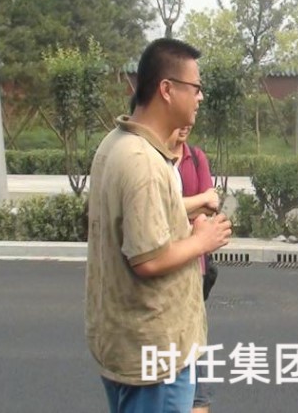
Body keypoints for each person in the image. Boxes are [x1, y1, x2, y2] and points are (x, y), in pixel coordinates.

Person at [86, 38, 232, 413]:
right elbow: (148, 259)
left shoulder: (116, 144)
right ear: (167, 89)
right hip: (156, 352)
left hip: (128, 343)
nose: (200, 97)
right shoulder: (143, 162)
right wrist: (203, 240)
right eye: (195, 88)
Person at [168, 125, 219, 413]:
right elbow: (157, 208)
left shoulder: (196, 158)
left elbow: (210, 209)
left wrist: (178, 210)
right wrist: (197, 203)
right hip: (164, 269)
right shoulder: (151, 161)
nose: (185, 126)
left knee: (193, 345)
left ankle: (198, 403)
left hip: (194, 268)